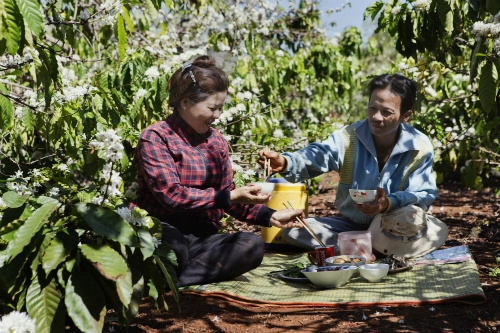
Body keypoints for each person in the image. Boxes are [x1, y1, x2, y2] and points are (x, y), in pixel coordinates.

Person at [133, 55, 304, 287]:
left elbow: (228, 194)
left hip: (203, 237)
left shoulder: (216, 141)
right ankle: (177, 272)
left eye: (221, 108)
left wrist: (270, 216)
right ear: (185, 102)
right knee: (175, 249)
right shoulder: (156, 137)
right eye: (212, 108)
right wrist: (230, 196)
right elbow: (171, 195)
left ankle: (174, 279)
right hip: (163, 228)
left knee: (251, 245)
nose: (217, 116)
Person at [258, 73, 448, 257]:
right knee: (295, 230)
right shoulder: (349, 137)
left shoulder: (419, 147)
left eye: (387, 112)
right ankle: (376, 251)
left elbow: (424, 195)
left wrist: (389, 203)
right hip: (351, 226)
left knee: (411, 220)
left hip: (395, 228)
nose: (376, 117)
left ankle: (358, 250)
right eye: (372, 108)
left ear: (405, 116)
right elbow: (320, 154)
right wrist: (286, 162)